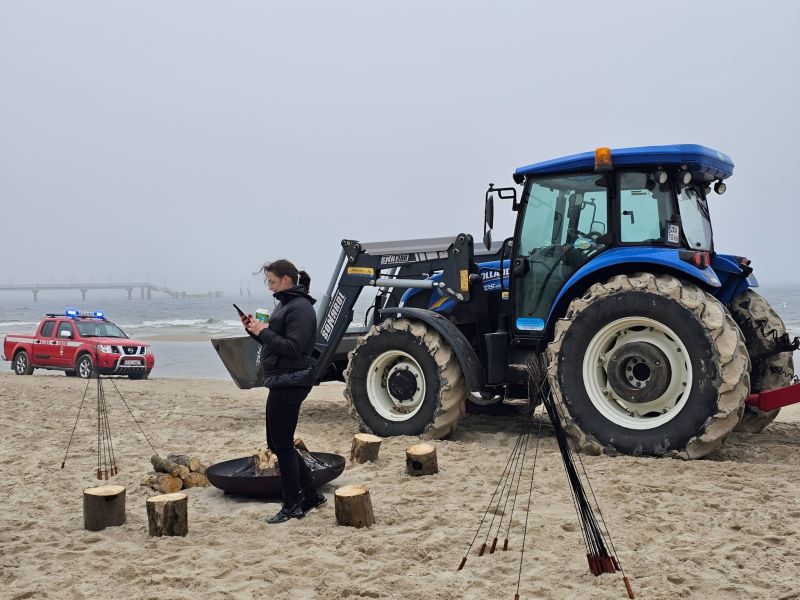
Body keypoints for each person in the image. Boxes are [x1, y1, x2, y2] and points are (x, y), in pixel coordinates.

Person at [241, 259, 326, 524]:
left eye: (272, 281)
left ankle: (292, 504)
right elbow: (274, 342)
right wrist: (255, 330)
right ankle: (311, 495)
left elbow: (293, 348)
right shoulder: (286, 304)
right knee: (277, 442)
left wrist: (265, 331)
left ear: (286, 279)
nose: (270, 287)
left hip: (292, 379)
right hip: (281, 379)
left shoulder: (300, 307)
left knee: (282, 444)